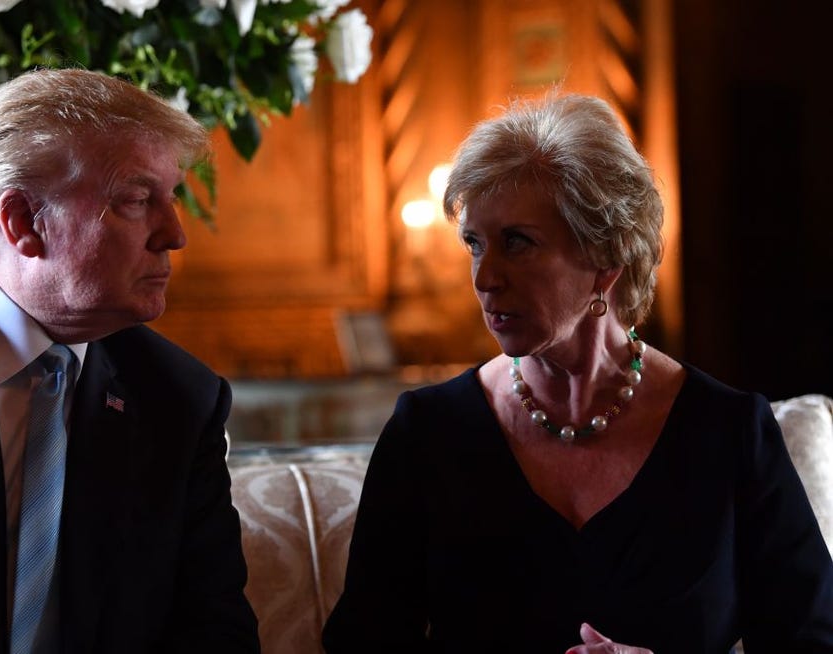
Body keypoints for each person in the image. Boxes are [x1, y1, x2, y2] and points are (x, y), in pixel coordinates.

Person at [322, 91, 833, 653]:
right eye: (475, 244)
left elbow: (811, 640)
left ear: (606, 260)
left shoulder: (731, 432)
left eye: (517, 243)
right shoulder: (427, 433)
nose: (484, 277)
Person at [0, 68, 260, 653]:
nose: (174, 234)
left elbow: (214, 632)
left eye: (171, 198)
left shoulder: (180, 398)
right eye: (137, 200)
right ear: (23, 222)